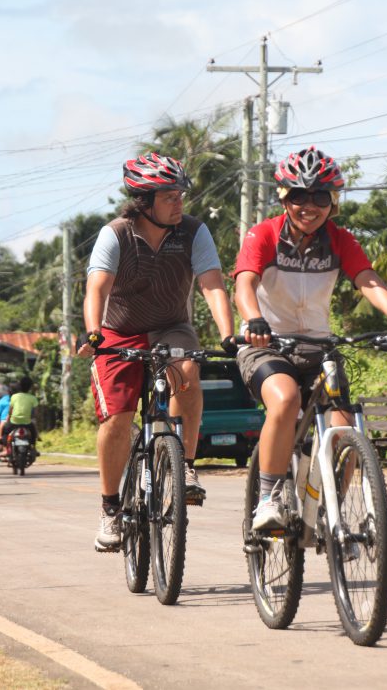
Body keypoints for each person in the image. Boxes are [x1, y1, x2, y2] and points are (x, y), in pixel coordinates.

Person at [233, 146, 387, 531]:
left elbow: (367, 279)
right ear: (284, 197)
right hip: (266, 345)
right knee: (285, 399)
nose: (310, 206)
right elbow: (244, 283)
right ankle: (268, 498)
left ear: (332, 201)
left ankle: (326, 508)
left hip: (319, 348)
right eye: (299, 196)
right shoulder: (264, 234)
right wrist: (253, 319)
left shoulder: (340, 240)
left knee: (346, 429)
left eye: (320, 196)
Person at [77, 152, 235, 552]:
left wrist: (229, 334)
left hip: (171, 326)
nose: (179, 203)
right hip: (117, 331)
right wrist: (94, 333)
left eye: (181, 194)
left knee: (189, 370)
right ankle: (110, 508)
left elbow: (213, 284)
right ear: (144, 201)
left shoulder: (194, 232)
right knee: (118, 418)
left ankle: (185, 466)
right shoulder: (115, 234)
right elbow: (97, 288)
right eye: (169, 196)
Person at [0, 376, 39, 448]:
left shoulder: (14, 397)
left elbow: (10, 412)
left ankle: (5, 446)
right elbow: (36, 413)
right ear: (30, 387)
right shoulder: (33, 398)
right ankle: (33, 447)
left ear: (20, 386)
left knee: (5, 431)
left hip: (14, 422)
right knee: (33, 434)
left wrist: (8, 420)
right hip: (27, 422)